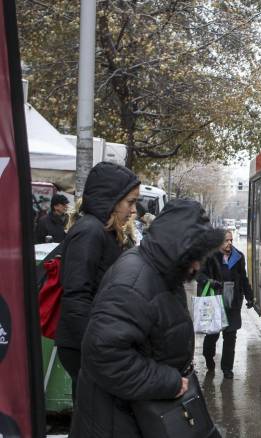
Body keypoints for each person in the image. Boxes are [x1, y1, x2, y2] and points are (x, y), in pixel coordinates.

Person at [71, 199, 225, 437]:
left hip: (139, 415)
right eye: (193, 256)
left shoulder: (163, 272)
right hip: (119, 422)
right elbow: (104, 354)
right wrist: (168, 382)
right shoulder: (133, 282)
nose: (197, 265)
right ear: (176, 247)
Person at [55, 162, 140, 401]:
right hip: (85, 345)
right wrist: (100, 348)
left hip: (96, 341)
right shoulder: (90, 231)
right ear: (111, 200)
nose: (134, 211)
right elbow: (76, 296)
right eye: (130, 202)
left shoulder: (105, 231)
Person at [198, 230, 253, 379]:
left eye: (231, 240)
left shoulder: (238, 257)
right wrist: (211, 282)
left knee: (230, 337)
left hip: (232, 302)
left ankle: (227, 368)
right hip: (214, 302)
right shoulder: (210, 256)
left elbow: (243, 278)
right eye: (226, 240)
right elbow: (199, 275)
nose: (229, 243)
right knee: (212, 336)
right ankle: (208, 357)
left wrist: (250, 296)